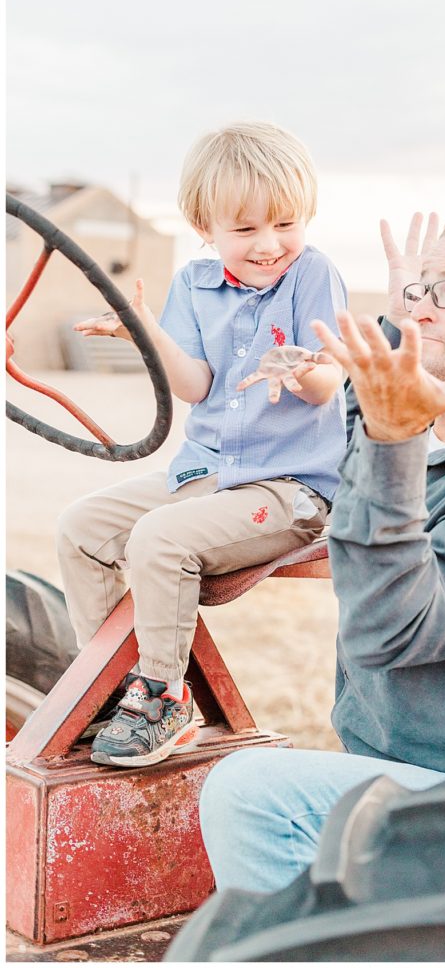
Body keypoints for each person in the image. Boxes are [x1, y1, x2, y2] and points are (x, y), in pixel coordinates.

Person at [198, 211, 445, 893]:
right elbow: (366, 441)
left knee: (248, 790)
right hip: (428, 765)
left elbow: (394, 631)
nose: (422, 305)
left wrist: (392, 440)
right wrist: (395, 339)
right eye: (418, 289)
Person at [56, 122, 347, 768]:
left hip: (287, 489)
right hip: (209, 473)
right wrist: (147, 336)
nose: (270, 245)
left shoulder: (312, 275)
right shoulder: (194, 284)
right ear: (204, 229)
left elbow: (329, 383)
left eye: (286, 223)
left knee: (160, 538)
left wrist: (297, 369)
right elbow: (195, 383)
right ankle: (113, 689)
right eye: (245, 230)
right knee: (81, 528)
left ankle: (164, 696)